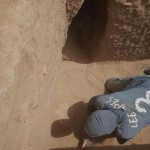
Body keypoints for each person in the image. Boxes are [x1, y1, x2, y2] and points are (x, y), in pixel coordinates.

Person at [82, 67, 150, 147]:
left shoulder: (127, 132)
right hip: (147, 83)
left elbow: (121, 140)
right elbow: (92, 102)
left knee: (110, 83)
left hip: (146, 83)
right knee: (110, 83)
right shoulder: (102, 100)